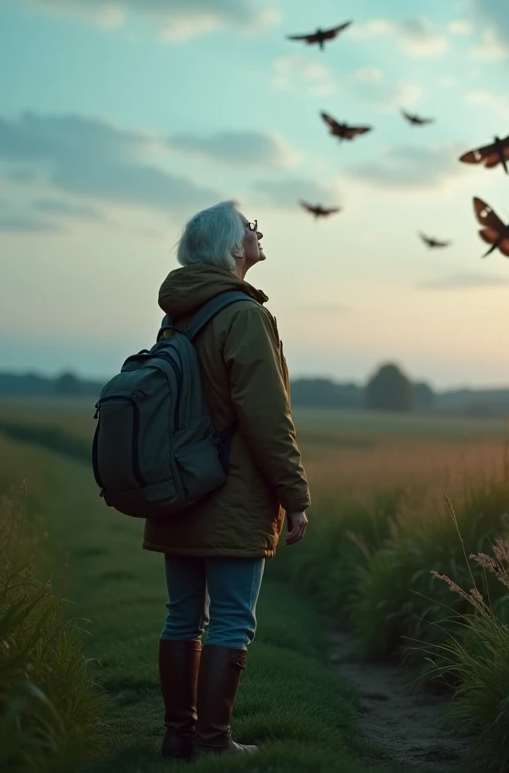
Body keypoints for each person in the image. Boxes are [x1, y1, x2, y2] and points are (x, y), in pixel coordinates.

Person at [144, 200, 311, 759]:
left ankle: (178, 738)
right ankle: (214, 743)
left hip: (175, 489)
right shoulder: (243, 316)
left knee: (182, 616)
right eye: (249, 225)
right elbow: (267, 417)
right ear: (232, 247)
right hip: (232, 493)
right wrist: (296, 496)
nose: (258, 230)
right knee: (232, 619)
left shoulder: (177, 316)